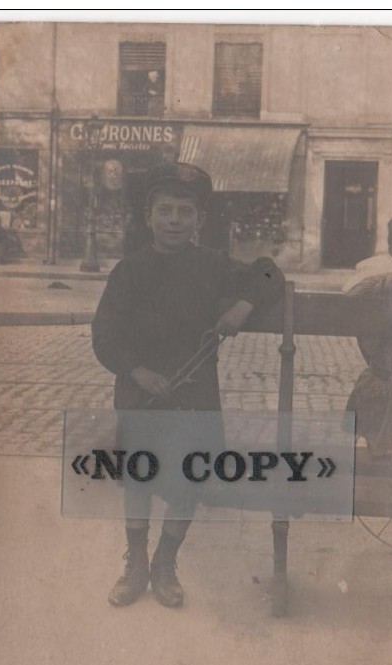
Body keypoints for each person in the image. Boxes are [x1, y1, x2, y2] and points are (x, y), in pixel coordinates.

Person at [92, 162, 284, 608]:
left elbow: (270, 272)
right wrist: (136, 371)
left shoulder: (214, 265)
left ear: (199, 220)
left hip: (195, 398)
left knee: (189, 480)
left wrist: (244, 304)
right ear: (148, 217)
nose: (174, 220)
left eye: (184, 211)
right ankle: (135, 562)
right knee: (138, 477)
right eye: (165, 211)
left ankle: (165, 562)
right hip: (140, 396)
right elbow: (104, 336)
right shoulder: (128, 271)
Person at [345, 207, 392, 463]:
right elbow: (350, 299)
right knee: (382, 462)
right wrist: (386, 286)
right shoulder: (387, 281)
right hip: (387, 385)